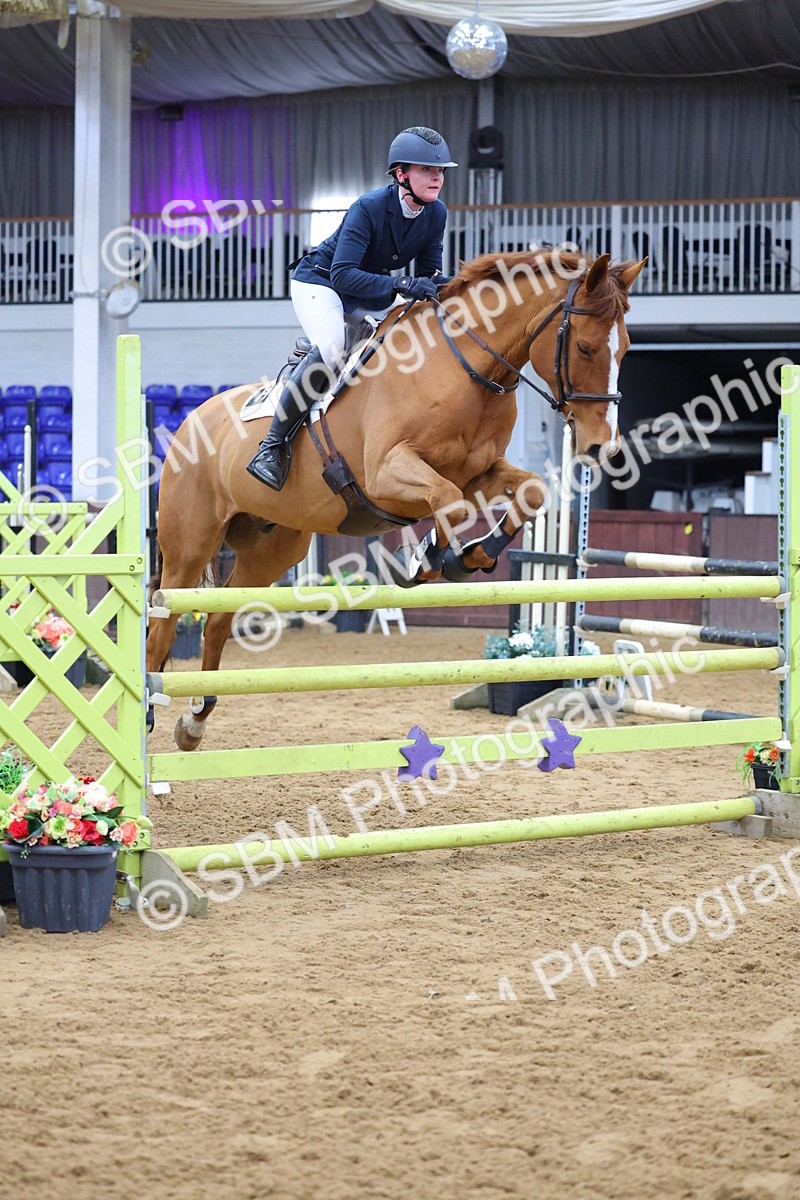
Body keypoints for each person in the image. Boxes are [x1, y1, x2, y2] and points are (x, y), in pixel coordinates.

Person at [247, 126, 457, 490]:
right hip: (321, 282)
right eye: (427, 169)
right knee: (332, 347)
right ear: (401, 174)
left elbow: (429, 276)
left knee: (408, 333)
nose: (437, 177)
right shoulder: (369, 207)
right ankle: (271, 446)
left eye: (440, 171)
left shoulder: (436, 213)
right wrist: (401, 285)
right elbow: (342, 274)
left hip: (368, 289)